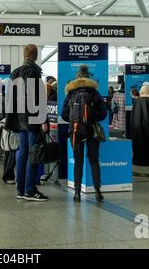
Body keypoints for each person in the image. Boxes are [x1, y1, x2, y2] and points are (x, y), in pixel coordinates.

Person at [6, 44, 49, 202]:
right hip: (32, 120)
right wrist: (44, 119)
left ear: (24, 55)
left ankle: (20, 189)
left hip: (19, 120)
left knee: (23, 153)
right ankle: (30, 190)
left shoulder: (15, 73)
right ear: (36, 56)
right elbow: (37, 98)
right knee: (33, 154)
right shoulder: (34, 72)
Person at [61, 65, 107, 203]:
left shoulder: (70, 93)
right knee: (94, 161)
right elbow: (103, 113)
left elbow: (64, 114)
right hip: (91, 130)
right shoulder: (95, 93)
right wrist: (93, 119)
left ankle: (77, 194)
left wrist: (72, 120)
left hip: (75, 131)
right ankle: (98, 192)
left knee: (78, 162)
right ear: (88, 77)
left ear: (77, 77)